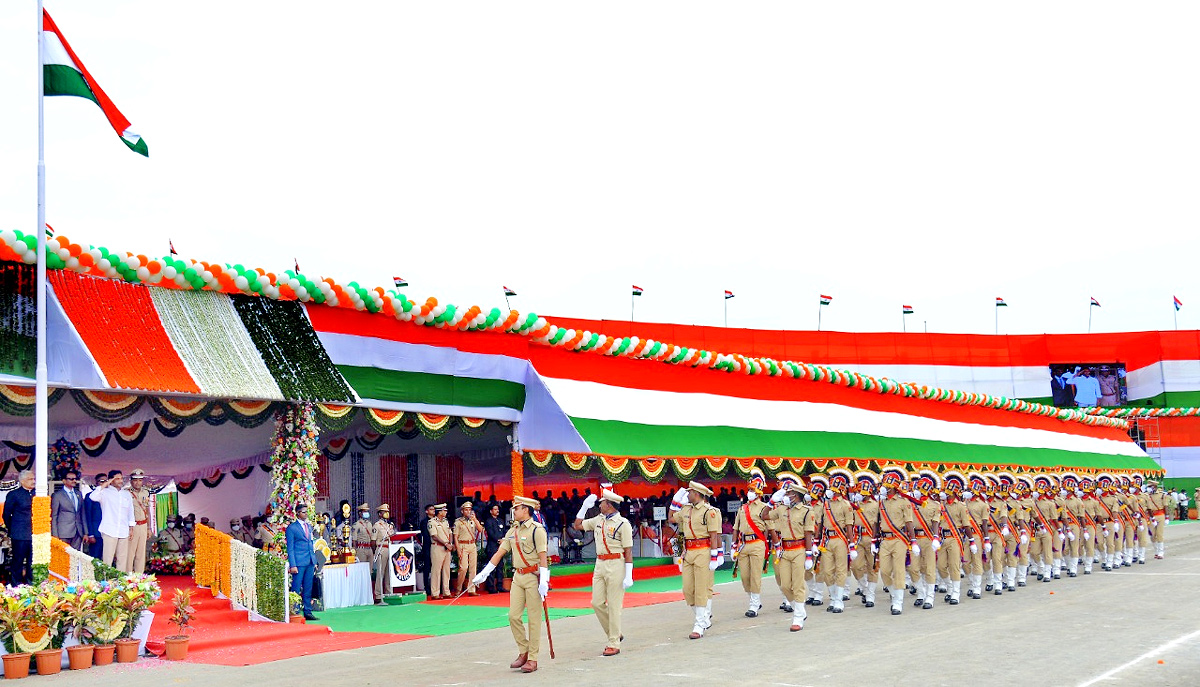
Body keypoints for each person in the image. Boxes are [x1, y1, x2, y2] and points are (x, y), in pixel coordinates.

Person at [472, 495, 549, 674]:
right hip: (518, 576)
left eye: (517, 508)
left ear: (526, 510)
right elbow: (501, 552)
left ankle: (532, 658)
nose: (514, 511)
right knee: (513, 616)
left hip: (533, 576)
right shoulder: (513, 530)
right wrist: (484, 573)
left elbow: (543, 556)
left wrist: (544, 580)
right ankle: (524, 650)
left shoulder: (537, 530)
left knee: (534, 619)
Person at [573, 488, 634, 656]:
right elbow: (577, 525)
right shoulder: (598, 520)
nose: (599, 505)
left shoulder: (623, 524)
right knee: (596, 602)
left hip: (616, 563)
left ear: (609, 505)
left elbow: (628, 550)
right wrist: (584, 507)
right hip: (600, 563)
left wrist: (629, 574)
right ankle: (616, 633)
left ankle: (614, 642)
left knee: (614, 605)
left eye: (602, 502)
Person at [669, 480, 722, 639]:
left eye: (690, 492)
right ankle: (704, 617)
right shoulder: (686, 509)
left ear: (697, 494)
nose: (687, 494)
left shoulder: (709, 511)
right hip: (689, 551)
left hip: (703, 551)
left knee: (701, 589)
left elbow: (714, 535)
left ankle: (699, 624)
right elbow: (671, 519)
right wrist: (674, 502)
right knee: (687, 589)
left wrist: (715, 556)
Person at [774, 480, 815, 631]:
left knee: (797, 584)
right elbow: (765, 515)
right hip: (785, 551)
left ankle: (798, 617)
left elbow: (808, 534)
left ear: (796, 495)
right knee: (785, 585)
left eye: (789, 493)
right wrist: (772, 500)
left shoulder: (806, 511)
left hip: (799, 549)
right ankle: (799, 609)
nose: (786, 495)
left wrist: (809, 555)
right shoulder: (782, 509)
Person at [731, 470, 773, 618]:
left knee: (755, 575)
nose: (749, 492)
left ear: (758, 492)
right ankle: (754, 599)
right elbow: (736, 528)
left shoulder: (764, 507)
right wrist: (733, 545)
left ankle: (754, 605)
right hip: (743, 544)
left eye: (752, 490)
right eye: (748, 490)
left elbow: (770, 528)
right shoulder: (743, 508)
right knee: (745, 577)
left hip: (757, 543)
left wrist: (773, 544)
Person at [877, 468, 915, 616]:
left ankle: (897, 602)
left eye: (885, 484)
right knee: (884, 571)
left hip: (899, 539)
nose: (883, 487)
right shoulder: (882, 502)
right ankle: (894, 593)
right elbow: (877, 522)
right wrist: (875, 541)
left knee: (899, 570)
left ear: (893, 486)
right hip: (885, 540)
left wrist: (913, 541)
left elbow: (909, 522)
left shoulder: (904, 502)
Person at [817, 469, 856, 614]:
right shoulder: (825, 505)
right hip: (827, 540)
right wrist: (816, 541)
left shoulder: (846, 505)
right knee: (827, 571)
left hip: (840, 539)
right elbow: (820, 524)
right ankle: (833, 597)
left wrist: (851, 545)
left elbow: (849, 526)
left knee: (840, 570)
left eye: (833, 488)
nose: (830, 491)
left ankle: (838, 600)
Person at [95, 469, 134, 572]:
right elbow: (93, 496)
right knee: (108, 558)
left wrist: (131, 528)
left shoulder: (126, 494)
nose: (120, 481)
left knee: (122, 559)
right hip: (109, 530)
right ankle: (105, 581)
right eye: (117, 479)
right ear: (111, 480)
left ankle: (120, 581)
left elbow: (130, 512)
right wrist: (106, 483)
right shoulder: (104, 493)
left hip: (123, 530)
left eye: (121, 478)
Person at [285, 503, 318, 621]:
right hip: (298, 562)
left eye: (306, 511)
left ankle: (308, 611)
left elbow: (311, 544)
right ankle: (295, 611)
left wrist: (314, 561)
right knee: (296, 587)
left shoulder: (308, 526)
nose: (306, 514)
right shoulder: (292, 528)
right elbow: (290, 548)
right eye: (303, 512)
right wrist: (293, 564)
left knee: (308, 588)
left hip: (309, 561)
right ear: (297, 513)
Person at [3, 470, 35, 585]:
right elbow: (6, 515)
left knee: (33, 562)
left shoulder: (37, 493)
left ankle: (31, 586)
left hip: (35, 534)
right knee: (18, 562)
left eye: (33, 479)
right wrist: (13, 530)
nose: (33, 481)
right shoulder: (14, 494)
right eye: (30, 479)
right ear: (22, 481)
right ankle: (15, 586)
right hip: (19, 534)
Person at [50, 469, 88, 550]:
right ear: (64, 481)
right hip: (63, 532)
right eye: (71, 479)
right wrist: (55, 535)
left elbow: (82, 514)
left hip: (78, 532)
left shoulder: (79, 494)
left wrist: (85, 533)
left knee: (75, 557)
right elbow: (54, 516)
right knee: (63, 557)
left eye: (75, 479)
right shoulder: (57, 495)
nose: (74, 481)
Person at [454, 501, 484, 596]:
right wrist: (458, 550)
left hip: (472, 545)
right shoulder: (458, 522)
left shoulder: (473, 520)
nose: (468, 511)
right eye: (466, 510)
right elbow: (455, 536)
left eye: (469, 510)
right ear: (462, 511)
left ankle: (471, 589)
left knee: (473, 568)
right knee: (463, 568)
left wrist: (475, 519)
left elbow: (480, 530)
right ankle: (458, 589)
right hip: (462, 545)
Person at [126, 469, 151, 574]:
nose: (137, 483)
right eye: (135, 480)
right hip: (132, 526)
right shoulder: (126, 493)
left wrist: (149, 527)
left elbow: (147, 510)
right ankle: (127, 575)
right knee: (130, 552)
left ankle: (139, 576)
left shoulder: (145, 492)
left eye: (140, 480)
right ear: (131, 481)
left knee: (141, 552)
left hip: (143, 525)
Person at [426, 504, 454, 599]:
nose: (445, 512)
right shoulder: (432, 522)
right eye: (444, 510)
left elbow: (450, 533)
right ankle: (435, 593)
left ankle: (446, 591)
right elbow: (434, 536)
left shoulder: (446, 521)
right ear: (439, 512)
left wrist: (450, 543)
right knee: (436, 570)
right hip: (437, 547)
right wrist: (446, 544)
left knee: (446, 570)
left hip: (447, 547)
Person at [372, 504, 396, 604]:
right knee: (380, 573)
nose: (387, 514)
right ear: (380, 514)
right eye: (385, 512)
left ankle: (388, 592)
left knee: (389, 572)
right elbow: (373, 541)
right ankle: (378, 594)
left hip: (390, 548)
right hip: (381, 549)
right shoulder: (376, 525)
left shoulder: (389, 525)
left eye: (388, 512)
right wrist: (375, 552)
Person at [483, 503, 507, 593]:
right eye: (495, 509)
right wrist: (498, 540)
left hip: (500, 546)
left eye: (498, 509)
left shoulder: (500, 520)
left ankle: (500, 585)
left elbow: (504, 531)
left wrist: (503, 540)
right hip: (492, 546)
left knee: (500, 567)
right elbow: (490, 533)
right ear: (491, 511)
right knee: (492, 567)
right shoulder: (488, 521)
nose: (497, 511)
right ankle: (491, 587)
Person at [82, 473, 106, 559]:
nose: (104, 483)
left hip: (109, 532)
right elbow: (87, 515)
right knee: (95, 557)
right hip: (96, 533)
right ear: (96, 483)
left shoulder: (110, 496)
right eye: (102, 481)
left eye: (106, 481)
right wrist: (90, 534)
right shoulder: (90, 496)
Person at [417, 503, 435, 593]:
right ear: (426, 511)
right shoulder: (424, 521)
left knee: (436, 567)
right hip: (428, 546)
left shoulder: (437, 520)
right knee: (427, 567)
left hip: (437, 546)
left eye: (434, 509)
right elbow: (425, 535)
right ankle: (426, 587)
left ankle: (436, 586)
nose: (433, 511)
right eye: (431, 509)